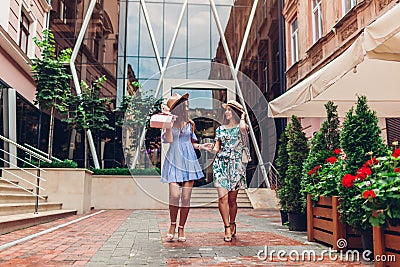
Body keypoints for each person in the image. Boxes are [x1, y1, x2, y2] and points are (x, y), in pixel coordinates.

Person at [161, 93, 206, 242]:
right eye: (184, 105)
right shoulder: (169, 123)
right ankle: (172, 225)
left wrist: (202, 146)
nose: (187, 107)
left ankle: (181, 228)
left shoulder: (190, 124)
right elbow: (169, 140)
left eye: (187, 104)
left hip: (189, 162)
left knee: (186, 198)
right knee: (175, 196)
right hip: (174, 161)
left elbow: (192, 143)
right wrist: (168, 122)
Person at [205, 100, 249, 242]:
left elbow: (243, 128)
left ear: (235, 112)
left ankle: (232, 222)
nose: (226, 112)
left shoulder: (241, 127)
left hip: (236, 166)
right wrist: (208, 148)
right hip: (220, 165)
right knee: (223, 198)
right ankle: (226, 227)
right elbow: (217, 149)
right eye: (226, 110)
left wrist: (243, 116)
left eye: (230, 109)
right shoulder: (220, 129)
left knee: (232, 200)